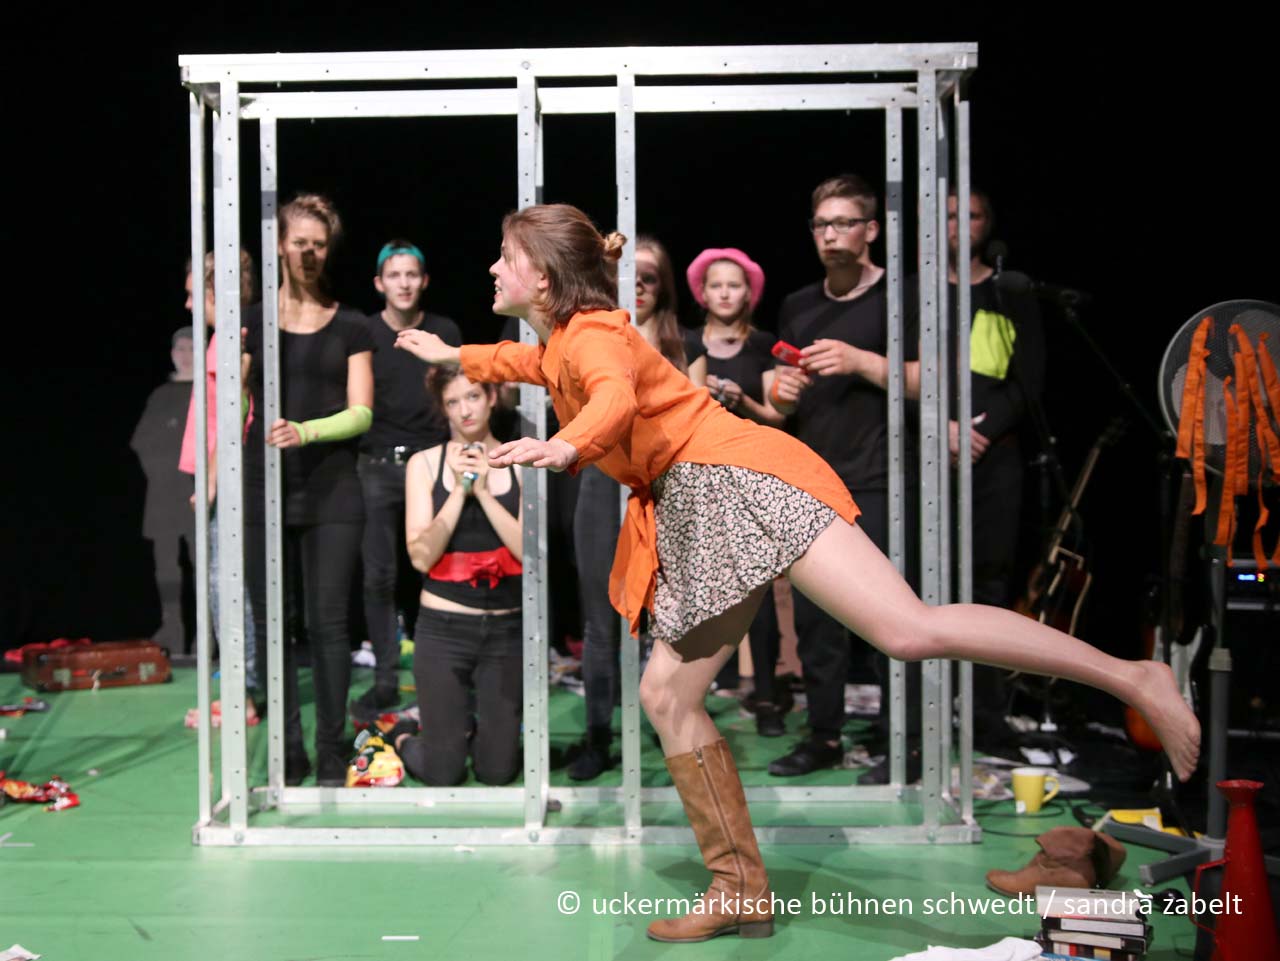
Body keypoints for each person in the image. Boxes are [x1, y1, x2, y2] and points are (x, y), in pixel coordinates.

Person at [395, 203, 1199, 944]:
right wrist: (455, 353)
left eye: (504, 258)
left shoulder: (594, 338)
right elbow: (529, 361)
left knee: (903, 630)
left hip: (737, 480)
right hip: (705, 493)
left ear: (541, 277)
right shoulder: (566, 337)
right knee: (671, 693)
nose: (492, 268)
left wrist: (567, 445)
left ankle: (1134, 677)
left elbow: (606, 397)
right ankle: (739, 885)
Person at [767, 174, 921, 780]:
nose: (831, 235)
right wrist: (783, 393)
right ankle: (823, 735)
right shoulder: (798, 305)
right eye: (821, 225)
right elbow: (783, 399)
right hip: (814, 480)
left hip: (883, 477)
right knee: (816, 623)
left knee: (890, 617)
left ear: (871, 229)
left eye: (844, 223)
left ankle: (901, 740)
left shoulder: (904, 296)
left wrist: (863, 362)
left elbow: (933, 380)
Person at [242, 193, 374, 786]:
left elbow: (362, 412)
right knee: (273, 621)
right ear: (279, 246)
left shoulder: (352, 325)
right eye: (300, 242)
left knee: (327, 624)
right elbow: (233, 401)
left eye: (319, 244)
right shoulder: (251, 322)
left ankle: (329, 749)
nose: (310, 253)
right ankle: (287, 748)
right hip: (263, 482)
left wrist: (306, 430)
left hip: (331, 489)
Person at [567, 234, 704, 780]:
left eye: (650, 277)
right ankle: (598, 736)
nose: (639, 285)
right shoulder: (594, 334)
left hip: (668, 487)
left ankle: (669, 726)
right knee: (601, 620)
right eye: (631, 275)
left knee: (671, 618)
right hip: (601, 486)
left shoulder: (684, 343)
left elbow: (697, 423)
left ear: (663, 286)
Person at [390, 367, 524, 785]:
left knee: (497, 772)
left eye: (473, 397)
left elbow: (529, 552)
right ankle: (402, 732)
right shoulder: (424, 464)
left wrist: (484, 492)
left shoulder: (520, 460)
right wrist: (460, 491)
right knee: (443, 772)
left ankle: (472, 730)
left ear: (491, 398)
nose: (465, 410)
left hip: (506, 629)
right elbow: (421, 557)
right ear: (443, 409)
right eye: (453, 402)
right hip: (444, 628)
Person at [349, 240, 462, 722]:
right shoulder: (364, 332)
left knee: (434, 568)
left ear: (424, 280)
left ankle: (440, 677)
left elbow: (459, 395)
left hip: (432, 464)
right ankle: (385, 679)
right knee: (378, 576)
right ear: (379, 283)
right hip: (378, 466)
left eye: (411, 274)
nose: (404, 283)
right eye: (394, 275)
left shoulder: (443, 331)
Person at [683, 247, 789, 735]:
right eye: (716, 285)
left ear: (749, 293)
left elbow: (777, 417)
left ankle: (766, 696)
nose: (725, 293)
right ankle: (695, 696)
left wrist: (739, 398)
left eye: (734, 285)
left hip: (753, 478)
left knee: (759, 595)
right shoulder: (685, 343)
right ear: (702, 293)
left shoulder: (763, 344)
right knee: (699, 590)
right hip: (700, 482)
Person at [178, 249, 261, 704]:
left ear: (215, 290)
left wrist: (211, 480)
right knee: (222, 582)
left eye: (194, 295)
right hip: (218, 475)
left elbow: (235, 415)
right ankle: (240, 686)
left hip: (226, 477)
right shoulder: (222, 339)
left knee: (227, 585)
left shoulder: (230, 339)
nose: (189, 305)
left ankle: (242, 691)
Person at [132, 326, 199, 655]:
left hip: (198, 491)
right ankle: (172, 625)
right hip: (163, 491)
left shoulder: (207, 392)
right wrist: (161, 472)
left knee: (202, 559)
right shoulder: (160, 395)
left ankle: (207, 629)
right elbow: (142, 441)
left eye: (191, 348)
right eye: (180, 349)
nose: (185, 356)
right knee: (166, 562)